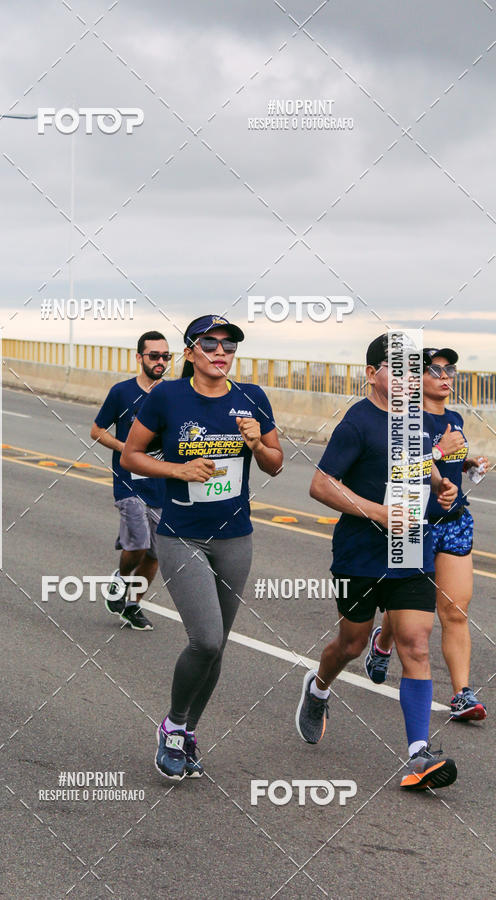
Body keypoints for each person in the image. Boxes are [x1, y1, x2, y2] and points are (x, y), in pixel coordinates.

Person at [121, 315, 283, 780]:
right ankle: (172, 728)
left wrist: (256, 444)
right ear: (189, 351)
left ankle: (189, 731)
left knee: (218, 647)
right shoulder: (168, 396)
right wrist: (178, 471)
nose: (221, 351)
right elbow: (132, 456)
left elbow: (275, 465)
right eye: (209, 343)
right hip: (180, 535)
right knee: (205, 638)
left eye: (228, 345)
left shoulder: (252, 397)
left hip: (235, 539)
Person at [296, 333, 460, 791]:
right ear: (372, 374)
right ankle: (319, 686)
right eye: (397, 367)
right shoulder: (358, 423)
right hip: (361, 555)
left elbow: (424, 470)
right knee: (350, 646)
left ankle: (418, 753)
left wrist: (441, 487)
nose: (409, 378)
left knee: (415, 644)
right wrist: (378, 512)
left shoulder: (419, 422)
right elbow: (321, 484)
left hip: (411, 549)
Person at [365, 348, 489, 721]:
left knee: (454, 610)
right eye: (434, 370)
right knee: (410, 610)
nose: (444, 375)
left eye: (449, 369)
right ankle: (382, 642)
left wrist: (466, 463)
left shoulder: (453, 417)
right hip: (412, 524)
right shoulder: (401, 419)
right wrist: (438, 452)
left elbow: (447, 460)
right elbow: (396, 468)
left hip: (453, 521)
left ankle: (462, 694)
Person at [91, 331, 169, 631]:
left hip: (162, 484)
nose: (160, 361)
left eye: (166, 356)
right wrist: (127, 449)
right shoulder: (122, 392)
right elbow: (97, 430)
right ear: (140, 358)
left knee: (155, 554)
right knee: (137, 542)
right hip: (129, 482)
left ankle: (133, 605)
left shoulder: (174, 394)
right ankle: (121, 579)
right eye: (154, 356)